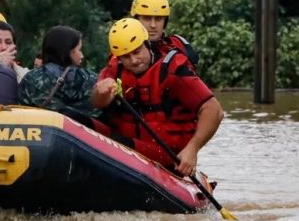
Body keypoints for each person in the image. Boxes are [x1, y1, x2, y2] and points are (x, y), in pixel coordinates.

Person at [92, 18, 222, 176]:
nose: (134, 60)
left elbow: (213, 110)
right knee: (75, 117)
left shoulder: (173, 70)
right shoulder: (114, 70)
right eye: (126, 57)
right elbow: (97, 103)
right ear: (118, 58)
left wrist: (192, 150)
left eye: (137, 51)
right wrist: (102, 92)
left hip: (163, 152)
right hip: (127, 142)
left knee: (114, 143)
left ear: (147, 44)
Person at [19, 25, 99, 123]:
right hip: (80, 137)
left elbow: (20, 112)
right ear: (68, 51)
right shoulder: (90, 79)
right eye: (79, 49)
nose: (82, 55)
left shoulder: (31, 79)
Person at [129, 0, 199, 67]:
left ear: (165, 22)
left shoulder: (179, 45)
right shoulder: (123, 51)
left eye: (158, 19)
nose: (153, 25)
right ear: (136, 21)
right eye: (147, 18)